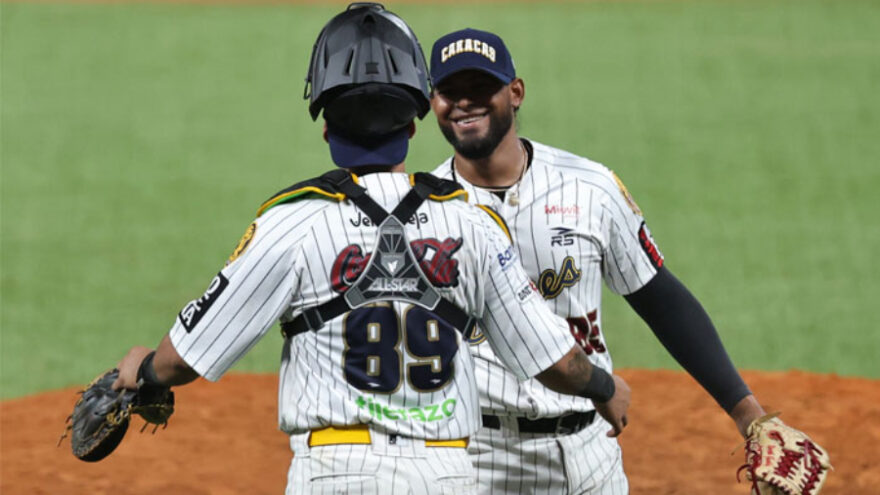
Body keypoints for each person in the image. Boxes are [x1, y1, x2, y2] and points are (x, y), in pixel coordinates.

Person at [110, 7, 632, 494]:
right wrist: (605, 388)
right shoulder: (473, 224)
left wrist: (146, 369)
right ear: (412, 125)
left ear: (326, 129)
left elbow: (187, 358)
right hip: (445, 476)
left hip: (334, 473)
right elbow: (555, 361)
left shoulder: (291, 223)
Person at [428, 28, 771, 494]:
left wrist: (748, 414)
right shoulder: (425, 213)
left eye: (481, 87)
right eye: (450, 92)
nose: (465, 103)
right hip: (479, 458)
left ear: (516, 92)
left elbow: (660, 299)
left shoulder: (590, 188)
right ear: (433, 102)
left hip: (589, 453)